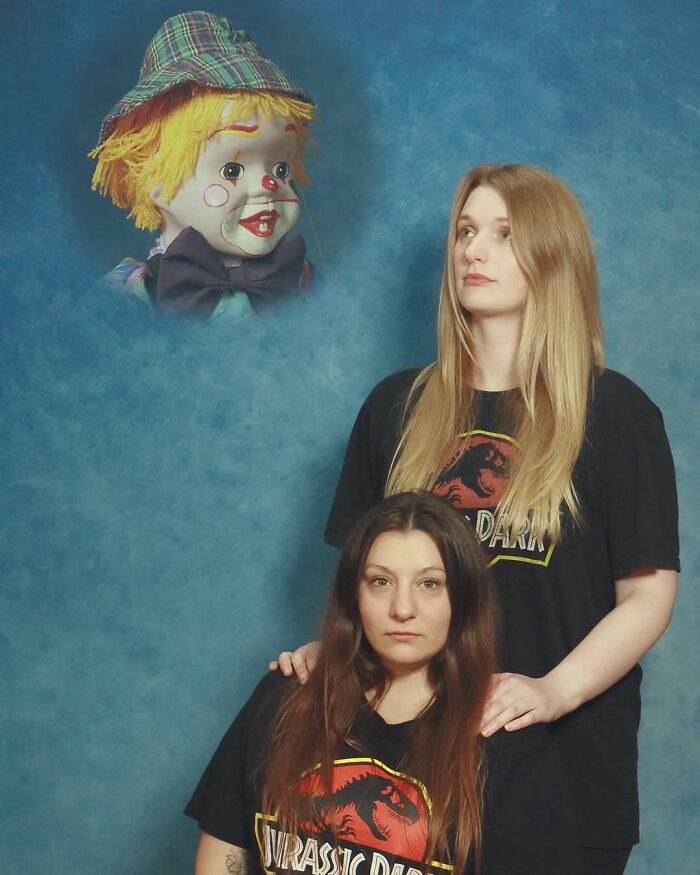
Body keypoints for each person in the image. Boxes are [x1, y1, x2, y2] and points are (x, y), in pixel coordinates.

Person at [274, 164, 680, 875]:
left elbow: (648, 598)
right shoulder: (394, 408)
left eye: (501, 233)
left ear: (553, 256)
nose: (472, 250)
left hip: (569, 767)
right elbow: (363, 585)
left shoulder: (617, 415)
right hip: (409, 775)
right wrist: (330, 654)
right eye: (465, 232)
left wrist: (551, 691)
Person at [186, 492, 578, 875]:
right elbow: (223, 851)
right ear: (353, 595)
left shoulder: (503, 733)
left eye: (429, 584)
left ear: (463, 598)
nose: (402, 609)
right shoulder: (288, 696)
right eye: (380, 581)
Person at [89, 11, 316, 320]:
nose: (269, 185)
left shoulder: (303, 279)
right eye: (232, 171)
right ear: (152, 178)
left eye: (281, 169)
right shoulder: (127, 292)